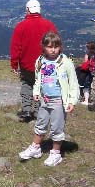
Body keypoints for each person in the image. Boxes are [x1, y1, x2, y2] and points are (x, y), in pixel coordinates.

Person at [18, 31, 78, 167]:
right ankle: (35, 148)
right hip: (45, 100)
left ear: (60, 47)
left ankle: (56, 153)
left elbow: (73, 83)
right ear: (44, 47)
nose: (53, 50)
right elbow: (38, 78)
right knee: (40, 123)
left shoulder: (65, 62)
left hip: (58, 101)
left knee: (57, 127)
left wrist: (71, 101)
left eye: (56, 47)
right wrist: (36, 91)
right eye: (50, 47)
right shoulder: (40, 61)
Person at [10, 0, 58, 122]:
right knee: (42, 87)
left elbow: (16, 48)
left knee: (27, 84)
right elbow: (56, 44)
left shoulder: (21, 26)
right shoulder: (49, 25)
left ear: (27, 10)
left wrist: (14, 64)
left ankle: (26, 110)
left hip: (27, 64)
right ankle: (38, 112)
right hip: (45, 64)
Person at [76, 41, 95, 105]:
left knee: (86, 85)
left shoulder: (88, 55)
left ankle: (86, 100)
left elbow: (85, 64)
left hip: (88, 72)